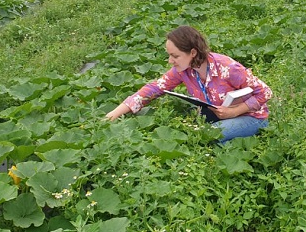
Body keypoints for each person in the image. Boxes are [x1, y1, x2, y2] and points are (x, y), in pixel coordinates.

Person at [105, 25, 272, 143]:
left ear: (193, 52)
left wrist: (234, 111)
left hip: (252, 116)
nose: (170, 61)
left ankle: (244, 141)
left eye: (175, 56)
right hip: (217, 114)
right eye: (169, 55)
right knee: (195, 129)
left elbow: (265, 92)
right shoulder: (183, 70)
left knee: (208, 135)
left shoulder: (228, 68)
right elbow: (154, 88)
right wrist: (115, 113)